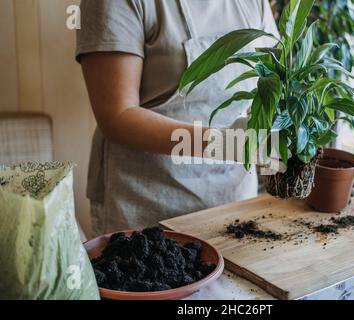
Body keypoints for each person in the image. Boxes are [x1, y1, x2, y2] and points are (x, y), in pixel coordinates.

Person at [76, 0, 279, 236]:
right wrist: (225, 143)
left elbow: (272, 80)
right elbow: (117, 116)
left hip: (235, 204)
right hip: (147, 209)